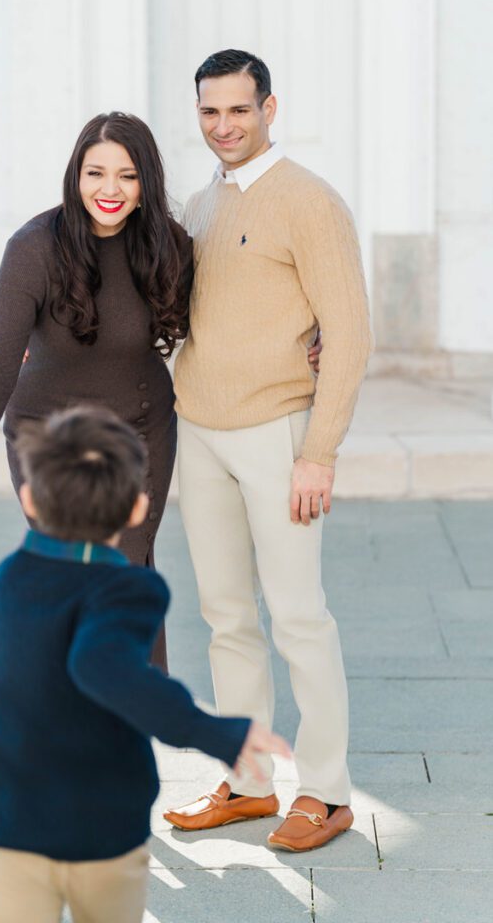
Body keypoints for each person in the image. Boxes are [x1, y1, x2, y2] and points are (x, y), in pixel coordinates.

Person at [0, 110, 323, 672]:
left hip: (139, 427)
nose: (110, 189)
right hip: (49, 436)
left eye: (127, 175)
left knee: (127, 567)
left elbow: (238, 303)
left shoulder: (168, 245)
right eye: (96, 173)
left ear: (146, 183)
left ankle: (127, 712)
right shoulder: (34, 247)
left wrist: (311, 334)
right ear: (76, 176)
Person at [163, 50, 373, 852]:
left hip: (277, 435)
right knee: (224, 616)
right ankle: (249, 784)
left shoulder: (309, 202)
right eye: (210, 112)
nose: (223, 126)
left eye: (238, 111)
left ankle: (326, 792)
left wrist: (318, 450)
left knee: (296, 616)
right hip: (200, 431)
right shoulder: (201, 201)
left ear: (269, 108)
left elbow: (348, 333)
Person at [0, 405, 291, 923]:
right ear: (138, 509)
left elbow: (0, 667)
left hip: (11, 818)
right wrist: (217, 733)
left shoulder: (8, 577)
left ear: (29, 497)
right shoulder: (130, 589)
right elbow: (103, 668)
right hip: (103, 823)